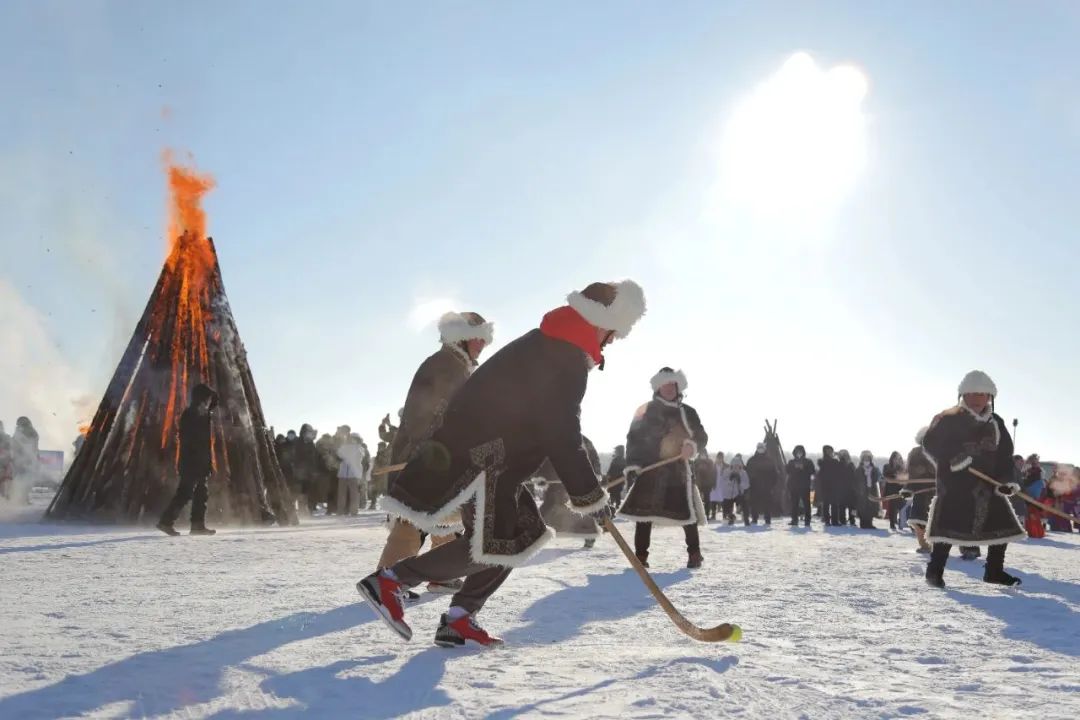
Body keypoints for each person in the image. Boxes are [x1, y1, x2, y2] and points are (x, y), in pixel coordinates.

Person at [357, 279, 646, 647]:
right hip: (485, 459)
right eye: (615, 333)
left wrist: (570, 482)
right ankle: (392, 581)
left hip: (496, 460)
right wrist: (589, 495)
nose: (613, 342)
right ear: (602, 323)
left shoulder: (547, 345)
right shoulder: (566, 357)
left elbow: (538, 426)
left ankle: (460, 617)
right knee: (495, 543)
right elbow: (560, 432)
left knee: (524, 534)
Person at [376, 310, 494, 597]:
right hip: (426, 453)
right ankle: (386, 580)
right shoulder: (443, 365)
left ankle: (440, 575)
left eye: (484, 339)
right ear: (461, 337)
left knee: (444, 512)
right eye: (477, 338)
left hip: (441, 454)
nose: (482, 344)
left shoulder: (458, 365)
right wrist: (424, 450)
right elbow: (424, 412)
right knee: (413, 519)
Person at [922, 370, 1025, 589]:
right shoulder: (948, 418)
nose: (979, 398)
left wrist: (1006, 480)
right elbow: (930, 443)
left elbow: (1005, 454)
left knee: (1002, 526)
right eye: (974, 393)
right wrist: (954, 458)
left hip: (988, 484)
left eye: (983, 394)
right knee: (947, 529)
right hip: (955, 484)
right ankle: (935, 571)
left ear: (990, 397)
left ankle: (994, 571)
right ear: (964, 395)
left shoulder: (996, 422)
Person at [619, 367, 708, 569]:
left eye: (672, 385)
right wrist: (634, 465)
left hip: (678, 469)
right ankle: (640, 557)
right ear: (658, 388)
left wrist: (691, 446)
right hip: (650, 469)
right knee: (644, 515)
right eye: (664, 385)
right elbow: (633, 439)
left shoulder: (688, 412)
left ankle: (694, 554)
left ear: (678, 387)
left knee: (688, 513)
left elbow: (701, 436)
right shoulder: (645, 410)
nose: (669, 388)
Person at [158, 384, 219, 536]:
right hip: (192, 462)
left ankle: (197, 525)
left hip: (196, 461)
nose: (208, 401)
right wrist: (200, 461)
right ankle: (166, 522)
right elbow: (192, 441)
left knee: (200, 493)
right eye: (207, 398)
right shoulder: (194, 413)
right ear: (202, 398)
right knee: (185, 493)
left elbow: (203, 442)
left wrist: (206, 462)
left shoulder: (200, 413)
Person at [537, 436, 604, 548]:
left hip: (578, 480)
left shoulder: (584, 441)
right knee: (549, 507)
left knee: (583, 508)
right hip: (556, 481)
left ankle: (589, 536)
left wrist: (595, 474)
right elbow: (543, 459)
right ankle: (538, 535)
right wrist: (541, 476)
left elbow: (593, 458)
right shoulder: (550, 439)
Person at [904, 428, 935, 553]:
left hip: (936, 492)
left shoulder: (939, 452)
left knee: (934, 521)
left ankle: (935, 546)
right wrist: (907, 488)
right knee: (918, 519)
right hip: (919, 492)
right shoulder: (915, 452)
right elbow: (909, 473)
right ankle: (924, 545)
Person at [745, 443, 778, 526]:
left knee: (767, 503)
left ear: (764, 449)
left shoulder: (769, 460)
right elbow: (747, 472)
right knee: (754, 503)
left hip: (766, 486)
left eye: (761, 448)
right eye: (759, 448)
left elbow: (774, 474)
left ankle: (767, 519)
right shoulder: (752, 460)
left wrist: (772, 485)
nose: (760, 449)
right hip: (754, 485)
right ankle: (754, 519)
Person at [11, 417, 40, 505]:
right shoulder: (20, 432)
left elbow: (34, 445)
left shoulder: (26, 432)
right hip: (22, 460)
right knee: (23, 480)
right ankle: (21, 499)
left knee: (25, 480)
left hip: (26, 459)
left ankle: (22, 499)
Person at [336, 433, 367, 515]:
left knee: (354, 495)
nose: (352, 440)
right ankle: (340, 511)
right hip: (343, 474)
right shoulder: (344, 447)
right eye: (351, 438)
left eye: (354, 439)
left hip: (354, 474)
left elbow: (359, 456)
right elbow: (339, 454)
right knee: (342, 494)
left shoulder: (360, 448)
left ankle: (354, 511)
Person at [786, 445, 815, 527]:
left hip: (805, 486)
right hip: (794, 486)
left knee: (807, 504)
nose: (799, 453)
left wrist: (803, 468)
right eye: (797, 451)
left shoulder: (808, 461)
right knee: (794, 504)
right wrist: (794, 468)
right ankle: (794, 520)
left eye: (800, 451)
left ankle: (807, 520)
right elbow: (787, 471)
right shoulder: (791, 462)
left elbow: (812, 471)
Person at [717, 454, 749, 525]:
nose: (736, 468)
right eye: (734, 466)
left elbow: (746, 485)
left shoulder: (743, 473)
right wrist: (730, 480)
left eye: (738, 466)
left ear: (740, 466)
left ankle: (746, 519)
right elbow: (722, 484)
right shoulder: (726, 472)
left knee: (745, 503)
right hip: (728, 494)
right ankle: (728, 518)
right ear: (731, 466)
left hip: (739, 494)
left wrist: (740, 481)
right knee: (726, 506)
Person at [817, 446, 845, 527]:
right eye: (827, 451)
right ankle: (827, 520)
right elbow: (821, 472)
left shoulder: (835, 461)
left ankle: (835, 521)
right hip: (825, 485)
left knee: (834, 504)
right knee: (826, 504)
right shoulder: (823, 461)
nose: (829, 452)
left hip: (834, 485)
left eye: (831, 451)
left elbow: (841, 468)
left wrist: (839, 458)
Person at [853, 450, 881, 530]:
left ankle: (870, 523)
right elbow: (856, 480)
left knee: (871, 507)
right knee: (862, 507)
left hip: (871, 490)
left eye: (868, 458)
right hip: (862, 491)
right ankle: (863, 523)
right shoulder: (859, 469)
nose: (866, 460)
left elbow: (876, 478)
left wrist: (871, 476)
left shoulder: (874, 469)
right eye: (865, 458)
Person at [882, 451, 905, 530]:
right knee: (892, 507)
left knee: (901, 506)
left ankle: (900, 521)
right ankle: (892, 523)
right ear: (892, 459)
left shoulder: (902, 467)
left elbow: (904, 476)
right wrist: (894, 474)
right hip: (891, 489)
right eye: (894, 458)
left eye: (897, 458)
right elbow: (885, 475)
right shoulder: (887, 466)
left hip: (900, 489)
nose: (896, 460)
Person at [708, 451, 728, 522]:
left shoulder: (726, 466)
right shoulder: (713, 466)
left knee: (724, 501)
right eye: (718, 458)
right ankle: (713, 515)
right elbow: (710, 476)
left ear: (723, 458)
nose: (720, 459)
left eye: (721, 458)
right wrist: (711, 484)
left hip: (723, 486)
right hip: (714, 485)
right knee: (713, 500)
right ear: (717, 458)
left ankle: (725, 515)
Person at [606, 445, 627, 509]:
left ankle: (612, 507)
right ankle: (616, 507)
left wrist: (607, 477)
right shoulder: (623, 460)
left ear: (619, 451)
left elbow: (611, 470)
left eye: (616, 450)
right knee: (617, 494)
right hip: (620, 480)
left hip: (614, 480)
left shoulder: (616, 460)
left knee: (613, 494)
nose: (615, 452)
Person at [0, 421, 13, 500]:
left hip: (5, 461)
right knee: (6, 480)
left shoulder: (6, 437)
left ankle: (5, 496)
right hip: (6, 461)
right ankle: (6, 496)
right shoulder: (7, 437)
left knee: (5, 480)